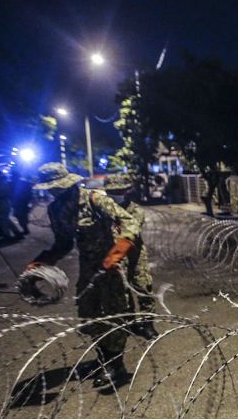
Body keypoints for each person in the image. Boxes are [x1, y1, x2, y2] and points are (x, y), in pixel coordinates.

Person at [26, 163, 140, 388]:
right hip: (88, 267)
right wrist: (43, 262)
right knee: (89, 313)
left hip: (111, 265)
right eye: (50, 188)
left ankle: (116, 365)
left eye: (56, 187)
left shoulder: (94, 199)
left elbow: (130, 221)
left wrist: (118, 250)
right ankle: (102, 358)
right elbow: (64, 243)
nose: (53, 191)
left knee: (113, 314)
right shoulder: (55, 211)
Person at [102, 173, 159, 339]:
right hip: (113, 257)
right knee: (122, 292)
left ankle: (148, 324)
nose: (116, 194)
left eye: (119, 191)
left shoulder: (135, 210)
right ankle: (130, 323)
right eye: (112, 191)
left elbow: (131, 232)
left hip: (135, 256)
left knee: (143, 288)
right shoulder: (102, 210)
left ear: (127, 190)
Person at [9, 167, 33, 235]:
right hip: (21, 202)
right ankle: (25, 228)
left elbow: (29, 192)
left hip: (20, 202)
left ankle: (25, 229)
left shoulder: (13, 183)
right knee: (21, 215)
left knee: (21, 216)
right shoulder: (24, 182)